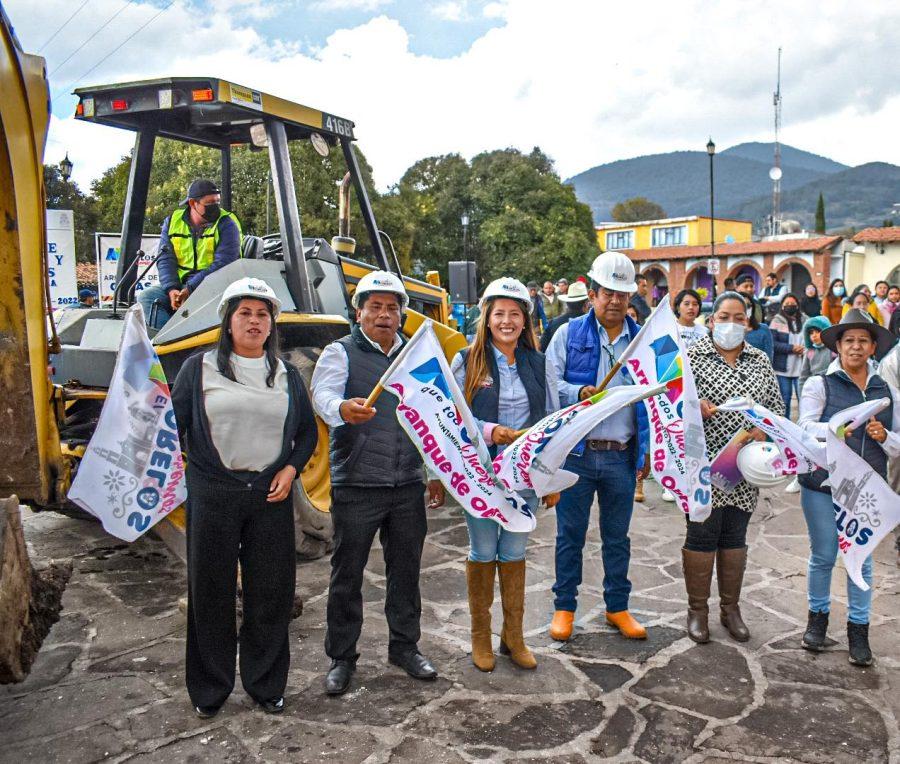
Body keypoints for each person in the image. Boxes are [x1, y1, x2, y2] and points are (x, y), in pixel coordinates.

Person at [171, 277, 317, 718]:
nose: (254, 322)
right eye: (244, 313)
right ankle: (210, 689)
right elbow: (168, 429)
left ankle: (265, 684)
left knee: (270, 594)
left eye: (262, 314)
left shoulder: (287, 374)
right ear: (227, 321)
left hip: (270, 497)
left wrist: (290, 470)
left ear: (272, 324)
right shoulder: (198, 370)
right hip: (214, 494)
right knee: (210, 592)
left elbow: (307, 433)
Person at [310, 270, 445, 696]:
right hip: (358, 482)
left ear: (402, 315)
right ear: (359, 311)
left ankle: (405, 647)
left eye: (392, 307)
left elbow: (436, 416)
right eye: (376, 306)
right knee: (347, 574)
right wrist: (342, 409)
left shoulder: (416, 356)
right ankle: (341, 657)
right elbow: (322, 395)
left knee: (405, 571)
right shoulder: (341, 352)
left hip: (406, 482)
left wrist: (436, 472)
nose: (384, 314)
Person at [451, 277, 559, 672]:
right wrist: (488, 431)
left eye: (515, 314)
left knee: (513, 552)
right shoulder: (466, 360)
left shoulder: (538, 362)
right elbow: (453, 415)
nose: (507, 321)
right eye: (500, 313)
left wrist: (550, 479)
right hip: (480, 473)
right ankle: (480, 636)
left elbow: (550, 420)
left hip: (525, 475)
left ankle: (513, 637)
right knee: (483, 551)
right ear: (487, 318)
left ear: (525, 320)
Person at [546, 251, 650, 642]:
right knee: (569, 535)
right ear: (592, 294)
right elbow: (549, 384)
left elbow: (654, 397)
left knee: (617, 537)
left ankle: (617, 607)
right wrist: (577, 391)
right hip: (577, 455)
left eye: (622, 294)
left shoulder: (641, 341)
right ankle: (564, 608)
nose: (615, 301)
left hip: (621, 456)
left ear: (630, 297)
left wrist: (647, 452)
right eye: (607, 292)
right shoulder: (567, 335)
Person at [797, 309, 898, 666]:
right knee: (824, 555)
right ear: (838, 346)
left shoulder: (885, 391)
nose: (856, 347)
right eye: (849, 340)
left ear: (873, 347)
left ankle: (859, 630)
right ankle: (817, 622)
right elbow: (804, 426)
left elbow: (898, 441)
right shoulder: (818, 384)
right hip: (821, 485)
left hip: (866, 487)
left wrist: (884, 435)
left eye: (863, 341)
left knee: (862, 560)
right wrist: (832, 430)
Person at [683, 292, 784, 644]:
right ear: (711, 321)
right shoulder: (691, 358)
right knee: (701, 535)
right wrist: (696, 406)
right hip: (703, 466)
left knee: (734, 536)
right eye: (723, 316)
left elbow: (778, 410)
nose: (730, 323)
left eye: (738, 317)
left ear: (748, 322)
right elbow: (669, 402)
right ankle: (698, 611)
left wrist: (763, 429)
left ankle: (731, 609)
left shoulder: (758, 360)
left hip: (744, 467)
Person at [140, 179, 242, 330]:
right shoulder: (173, 222)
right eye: (210, 203)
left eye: (217, 202)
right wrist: (172, 290)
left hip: (214, 285)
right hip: (182, 285)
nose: (215, 207)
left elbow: (224, 263)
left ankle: (182, 343)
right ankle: (167, 344)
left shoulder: (227, 223)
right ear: (193, 203)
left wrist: (190, 288)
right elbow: (165, 258)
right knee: (146, 297)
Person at [769, 293, 806, 419]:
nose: (790, 306)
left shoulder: (805, 320)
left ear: (798, 306)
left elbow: (813, 338)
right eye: (787, 304)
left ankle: (804, 429)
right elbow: (773, 343)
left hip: (802, 368)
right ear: (782, 306)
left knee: (804, 400)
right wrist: (792, 348)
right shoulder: (776, 321)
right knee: (784, 401)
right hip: (783, 369)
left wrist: (804, 349)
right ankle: (785, 432)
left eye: (793, 304)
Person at [541, 281, 590, 352]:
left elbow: (542, 348)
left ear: (567, 303)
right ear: (586, 304)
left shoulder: (554, 323)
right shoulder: (593, 324)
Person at [798, 315, 834, 394]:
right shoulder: (810, 352)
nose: (814, 335)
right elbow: (804, 376)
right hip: (814, 390)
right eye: (811, 333)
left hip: (831, 389)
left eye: (818, 332)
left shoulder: (833, 350)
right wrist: (802, 396)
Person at [743, 295, 774, 362]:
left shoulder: (763, 329)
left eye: (748, 305)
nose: (745, 308)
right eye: (742, 305)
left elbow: (768, 358)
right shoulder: (729, 331)